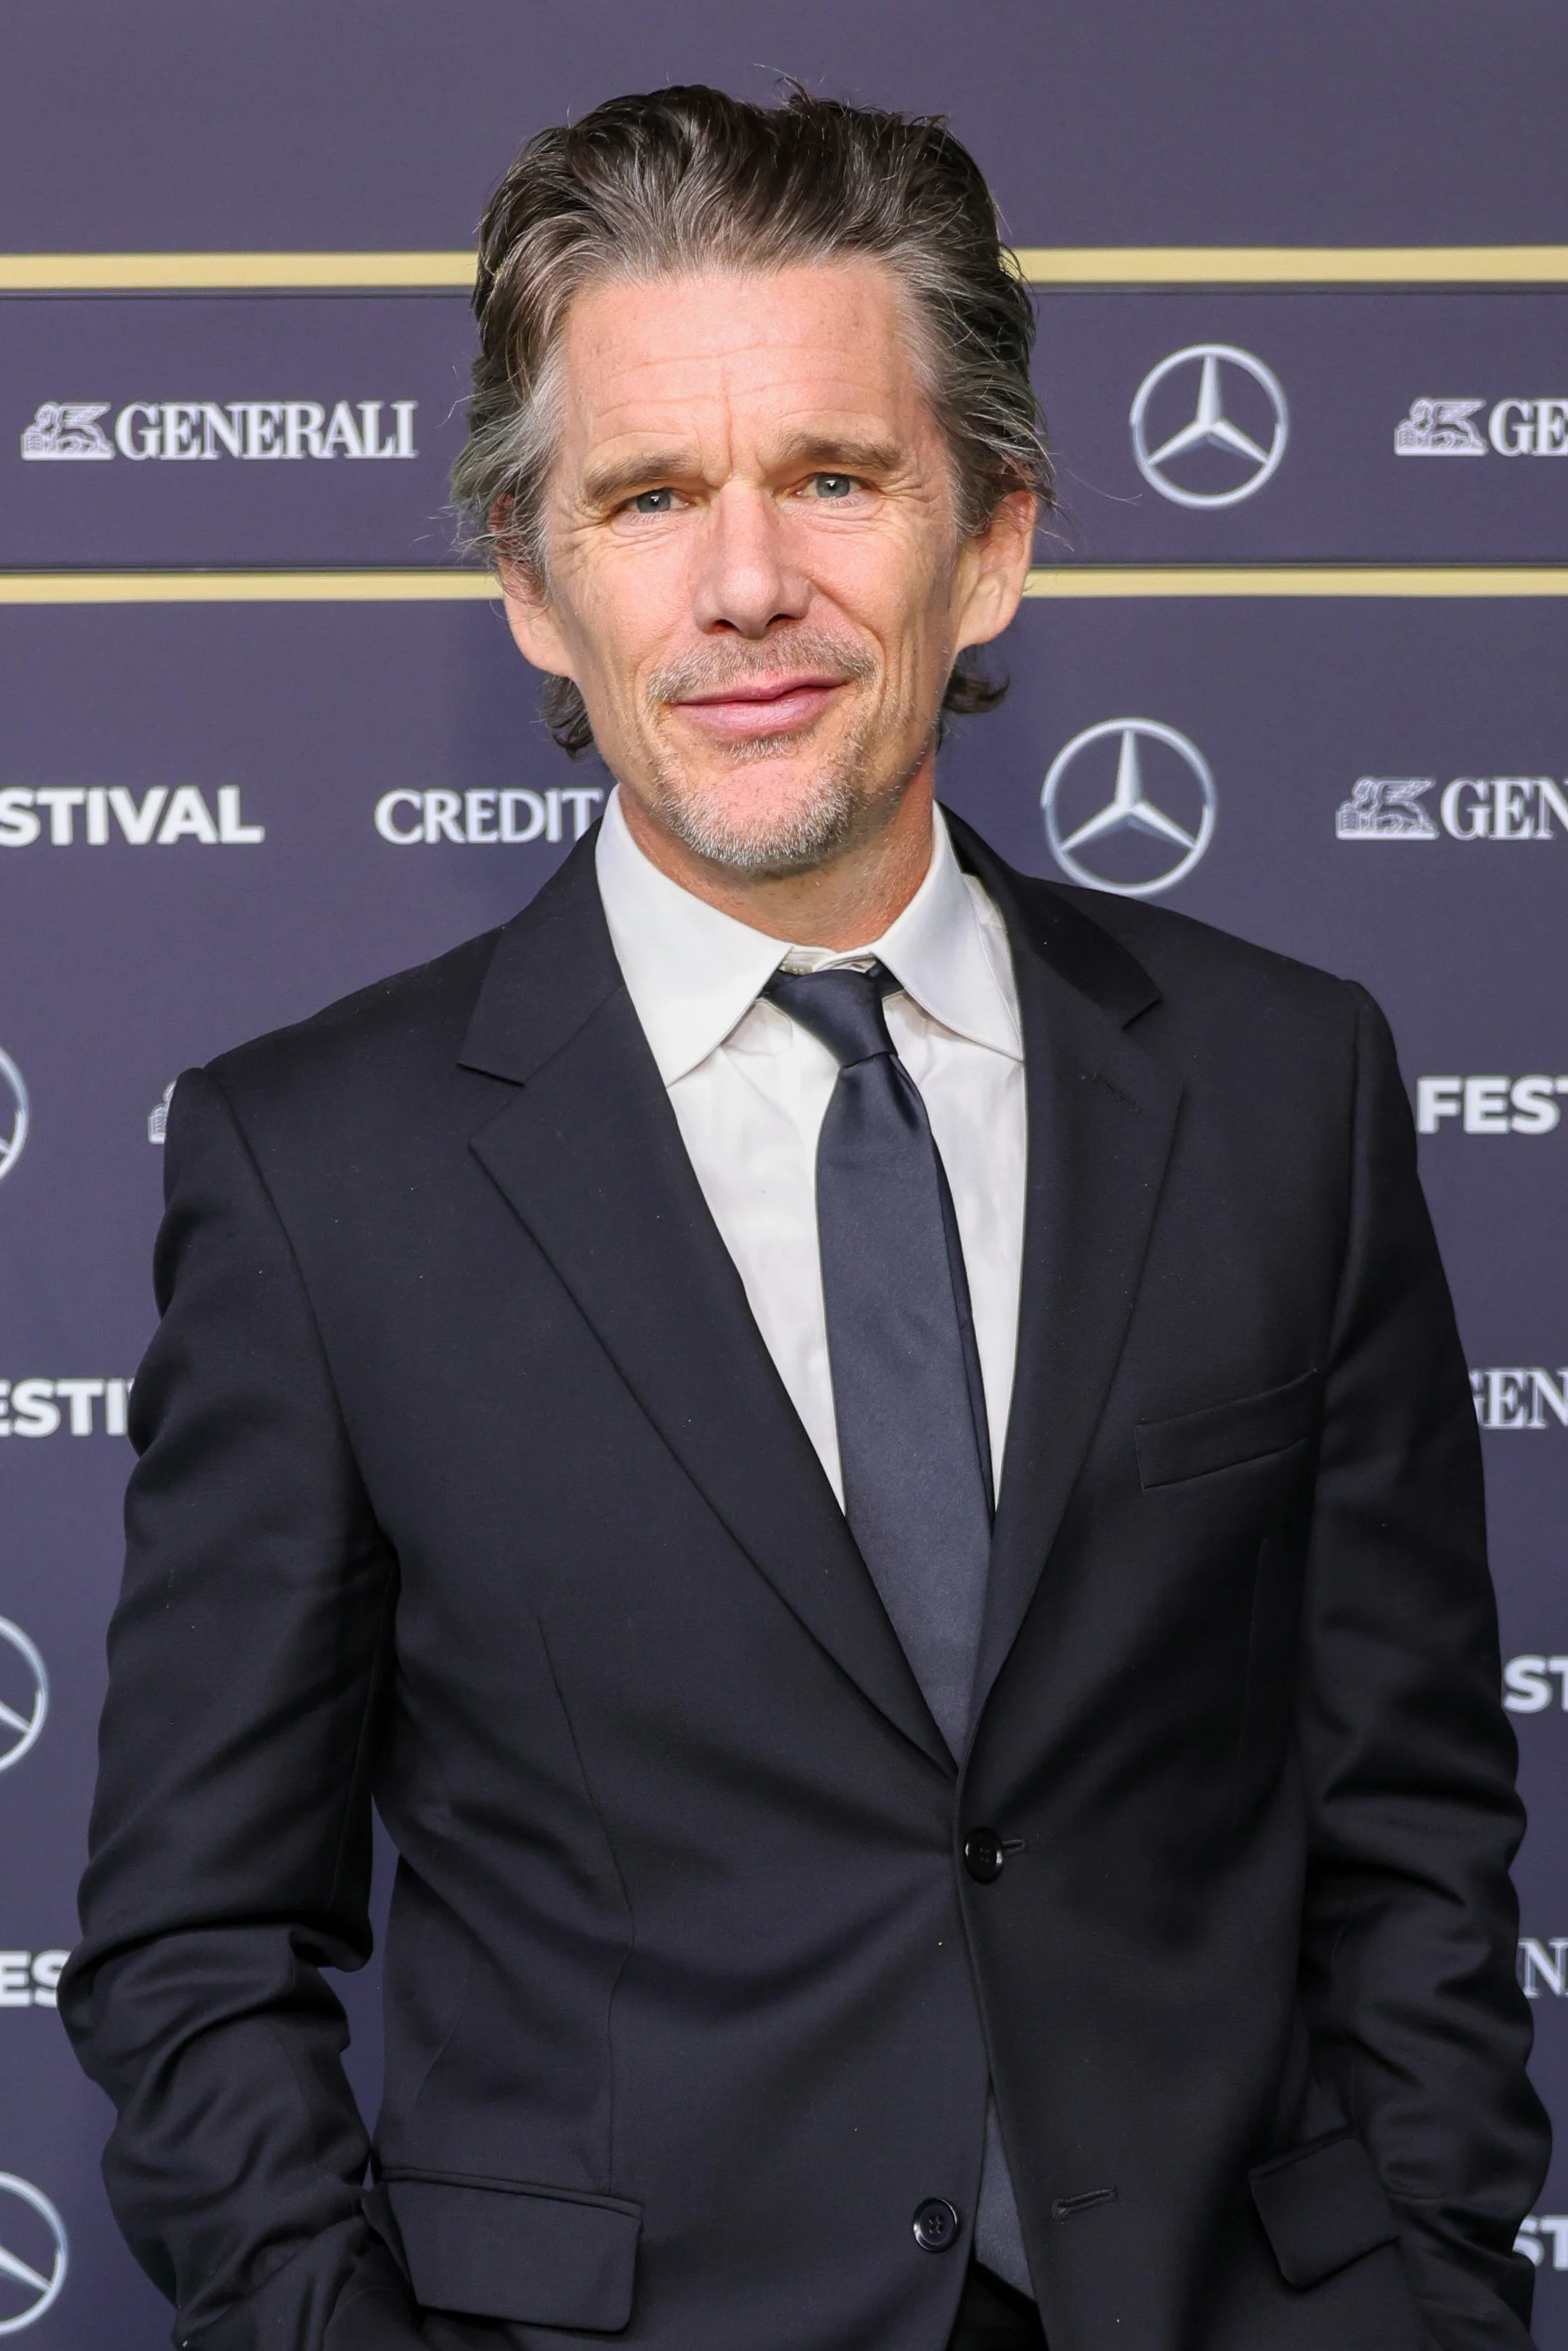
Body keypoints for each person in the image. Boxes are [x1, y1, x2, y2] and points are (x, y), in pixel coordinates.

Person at [62, 85, 1546, 2351]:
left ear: (998, 539)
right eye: (648, 498)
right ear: (532, 589)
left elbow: (1418, 1834)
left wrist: (1418, 2296)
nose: (746, 585)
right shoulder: (316, 1174)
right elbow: (193, 1946)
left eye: (835, 481)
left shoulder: (1285, 1087)